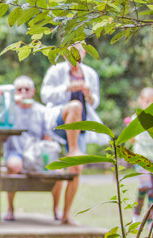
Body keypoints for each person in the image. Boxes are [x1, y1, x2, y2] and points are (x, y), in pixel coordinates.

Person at [41, 43, 101, 225]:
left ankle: (66, 214)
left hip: (80, 126)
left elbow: (94, 102)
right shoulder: (56, 71)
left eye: (79, 52)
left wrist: (88, 95)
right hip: (59, 121)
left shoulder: (90, 74)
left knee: (76, 170)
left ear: (84, 54)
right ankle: (55, 210)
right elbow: (45, 95)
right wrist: (68, 88)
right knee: (59, 168)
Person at [3, 76, 62, 221]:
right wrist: (11, 103)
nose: (23, 92)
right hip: (16, 152)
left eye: (27, 89)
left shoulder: (42, 111)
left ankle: (56, 209)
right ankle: (10, 208)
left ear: (33, 92)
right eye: (19, 89)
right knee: (13, 165)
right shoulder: (8, 111)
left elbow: (48, 137)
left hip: (37, 153)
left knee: (59, 171)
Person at [126, 88, 153, 223]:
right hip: (141, 157)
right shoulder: (137, 118)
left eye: (152, 102)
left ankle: (149, 220)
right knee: (145, 185)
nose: (149, 104)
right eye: (146, 101)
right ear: (141, 101)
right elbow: (132, 139)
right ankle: (136, 215)